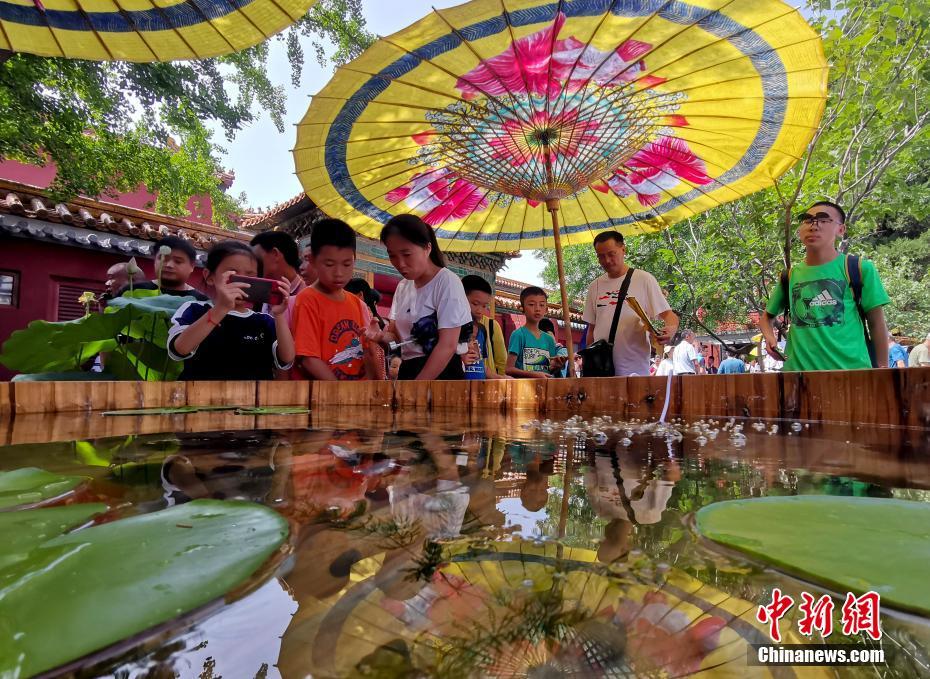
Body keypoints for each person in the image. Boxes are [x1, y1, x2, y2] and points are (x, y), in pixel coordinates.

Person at [760, 201, 890, 370]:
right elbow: (766, 317)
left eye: (823, 220)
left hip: (852, 374)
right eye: (807, 221)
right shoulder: (790, 276)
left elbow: (876, 323)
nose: (814, 226)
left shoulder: (859, 268)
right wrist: (770, 338)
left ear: (841, 230)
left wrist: (883, 369)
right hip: (798, 378)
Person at [168, 240, 294, 380]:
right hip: (201, 399)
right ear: (209, 277)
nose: (242, 282)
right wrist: (222, 307)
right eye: (233, 274)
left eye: (250, 275)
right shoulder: (194, 310)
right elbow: (180, 349)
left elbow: (287, 358)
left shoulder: (265, 321)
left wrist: (279, 314)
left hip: (252, 400)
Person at [366, 214, 472, 380]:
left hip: (441, 374)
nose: (400, 263)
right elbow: (396, 338)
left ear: (427, 248)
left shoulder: (447, 281)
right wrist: (380, 337)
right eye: (392, 255)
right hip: (408, 370)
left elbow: (448, 345)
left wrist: (418, 387)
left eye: (406, 254)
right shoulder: (402, 287)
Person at [291, 219, 380, 381]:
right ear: (312, 260)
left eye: (346, 264)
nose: (339, 273)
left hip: (356, 395)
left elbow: (365, 353)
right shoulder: (307, 299)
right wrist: (340, 390)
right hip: (325, 395)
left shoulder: (357, 304)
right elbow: (308, 358)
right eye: (330, 264)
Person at [583, 231, 678, 376]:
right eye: (601, 256)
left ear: (623, 250)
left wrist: (670, 330)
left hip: (635, 369)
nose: (606, 260)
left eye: (611, 254)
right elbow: (591, 330)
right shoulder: (594, 286)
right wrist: (588, 360)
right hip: (601, 370)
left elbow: (669, 316)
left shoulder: (644, 279)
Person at [506, 287, 565, 379]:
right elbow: (509, 369)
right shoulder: (518, 335)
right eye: (531, 304)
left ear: (546, 309)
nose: (537, 309)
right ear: (522, 308)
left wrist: (557, 365)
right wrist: (533, 374)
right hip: (523, 390)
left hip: (545, 389)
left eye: (541, 305)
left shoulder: (549, 339)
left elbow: (549, 369)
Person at [128, 235, 210, 301]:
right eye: (163, 258)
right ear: (154, 259)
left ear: (192, 266)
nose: (169, 265)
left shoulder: (201, 302)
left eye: (178, 261)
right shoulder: (131, 292)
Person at [250, 231, 307, 322]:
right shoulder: (259, 293)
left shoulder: (306, 296)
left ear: (275, 254)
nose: (252, 265)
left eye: (257, 259)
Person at [461, 275, 508, 378]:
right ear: (460, 298)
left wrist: (500, 378)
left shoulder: (482, 330)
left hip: (479, 388)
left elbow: (482, 365)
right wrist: (460, 362)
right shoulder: (452, 330)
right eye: (475, 304)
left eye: (484, 306)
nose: (480, 310)